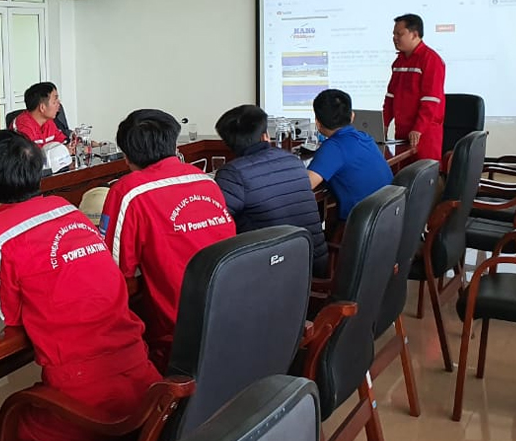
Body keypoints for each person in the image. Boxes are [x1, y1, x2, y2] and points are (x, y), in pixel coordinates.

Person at [0, 132, 161, 441]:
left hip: (85, 396)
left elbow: (11, 316)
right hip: (142, 377)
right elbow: (59, 269)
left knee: (1, 431)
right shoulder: (65, 208)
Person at [99, 109, 235, 370]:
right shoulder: (206, 181)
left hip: (178, 333)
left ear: (126, 156)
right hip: (230, 314)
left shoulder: (128, 191)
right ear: (175, 146)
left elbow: (114, 269)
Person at [213, 104, 328, 277]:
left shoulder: (233, 173)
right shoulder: (292, 160)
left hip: (273, 271)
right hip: (313, 261)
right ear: (265, 135)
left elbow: (216, 223)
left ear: (227, 143)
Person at [308, 89, 393, 221]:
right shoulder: (365, 137)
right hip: (388, 221)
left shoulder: (333, 147)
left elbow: (304, 185)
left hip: (362, 226)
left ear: (318, 123)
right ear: (352, 116)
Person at [383, 13, 446, 161]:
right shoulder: (399, 61)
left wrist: (418, 128)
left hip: (424, 133)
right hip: (402, 131)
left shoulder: (431, 60)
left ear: (415, 34)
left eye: (399, 34)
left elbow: (431, 100)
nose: (395, 38)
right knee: (401, 171)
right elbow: (390, 96)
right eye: (393, 34)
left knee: (422, 172)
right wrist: (383, 124)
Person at [13, 82, 64, 146]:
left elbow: (61, 140)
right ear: (42, 107)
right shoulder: (23, 127)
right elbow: (30, 151)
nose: (58, 104)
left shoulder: (48, 121)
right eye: (54, 101)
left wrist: (69, 146)